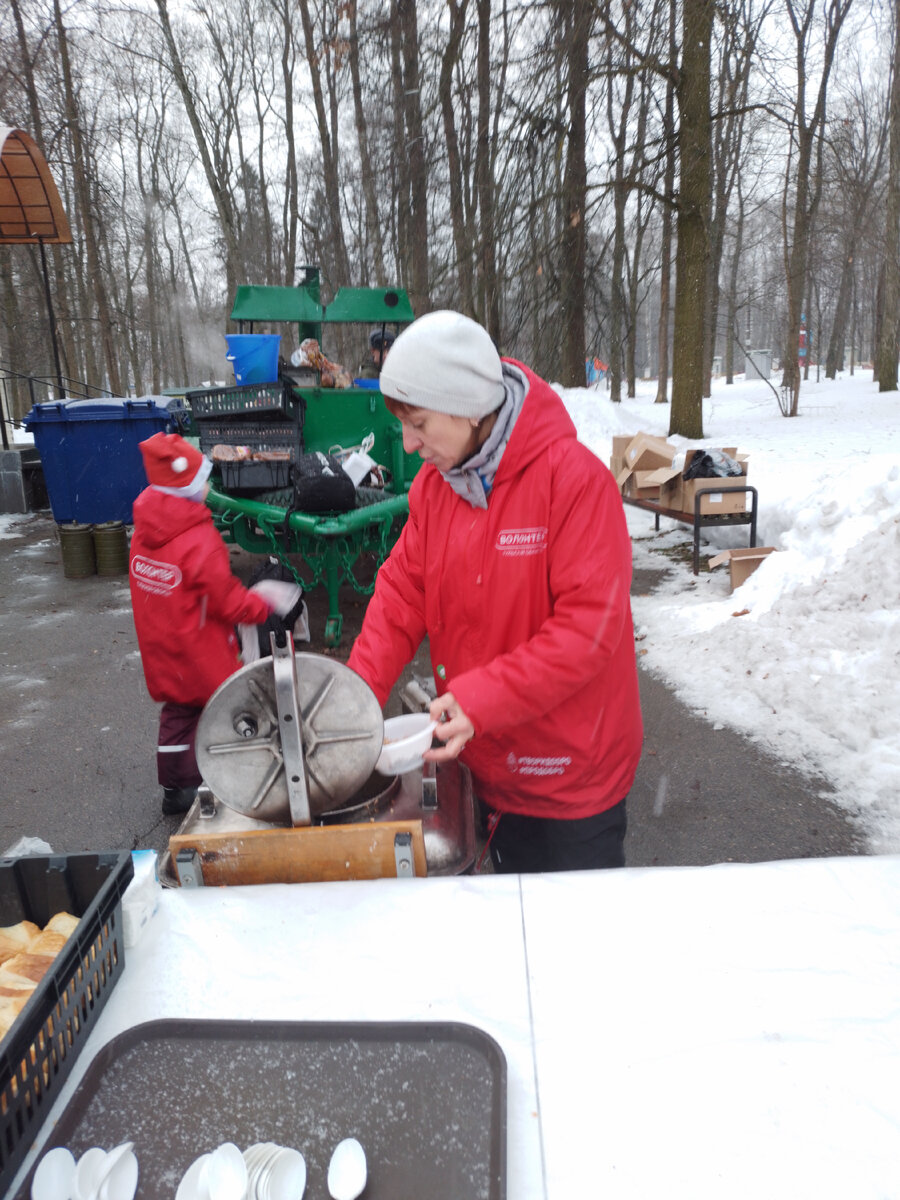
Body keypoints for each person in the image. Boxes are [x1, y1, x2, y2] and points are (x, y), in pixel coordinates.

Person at [347, 310, 643, 873]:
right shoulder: (437, 490)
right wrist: (353, 698)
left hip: (570, 781)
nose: (408, 446)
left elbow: (589, 631)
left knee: (570, 943)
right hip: (484, 764)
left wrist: (480, 700)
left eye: (420, 424)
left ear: (467, 409)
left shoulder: (573, 481)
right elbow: (401, 597)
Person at [129, 432, 273, 816]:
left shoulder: (144, 533)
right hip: (200, 651)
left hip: (162, 646)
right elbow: (225, 597)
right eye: (202, 479)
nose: (208, 487)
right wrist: (257, 606)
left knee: (177, 716)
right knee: (225, 707)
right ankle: (234, 773)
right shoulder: (199, 539)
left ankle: (176, 789)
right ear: (186, 487)